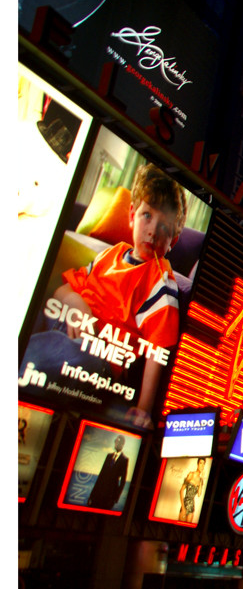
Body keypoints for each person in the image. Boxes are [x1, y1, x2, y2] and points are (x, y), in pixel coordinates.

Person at [21, 163, 186, 429]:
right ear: (132, 215)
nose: (153, 230)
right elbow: (63, 289)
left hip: (98, 360)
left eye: (165, 227)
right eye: (147, 216)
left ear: (173, 241)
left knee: (45, 353)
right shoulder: (110, 254)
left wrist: (143, 408)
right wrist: (77, 303)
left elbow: (157, 350)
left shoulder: (159, 281)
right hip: (63, 323)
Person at [88, 434, 129, 510]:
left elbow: (123, 481)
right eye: (115, 441)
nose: (116, 444)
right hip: (98, 494)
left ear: (122, 444)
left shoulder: (124, 460)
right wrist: (92, 495)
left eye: (118, 442)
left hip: (109, 497)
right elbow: (101, 475)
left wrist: (115, 498)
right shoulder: (109, 456)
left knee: (101, 519)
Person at [179, 457, 206, 522]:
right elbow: (181, 490)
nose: (202, 466)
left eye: (203, 464)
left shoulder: (200, 480)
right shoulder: (191, 474)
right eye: (200, 463)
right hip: (185, 504)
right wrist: (183, 508)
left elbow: (199, 494)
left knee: (187, 529)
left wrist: (201, 479)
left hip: (191, 506)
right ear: (197, 464)